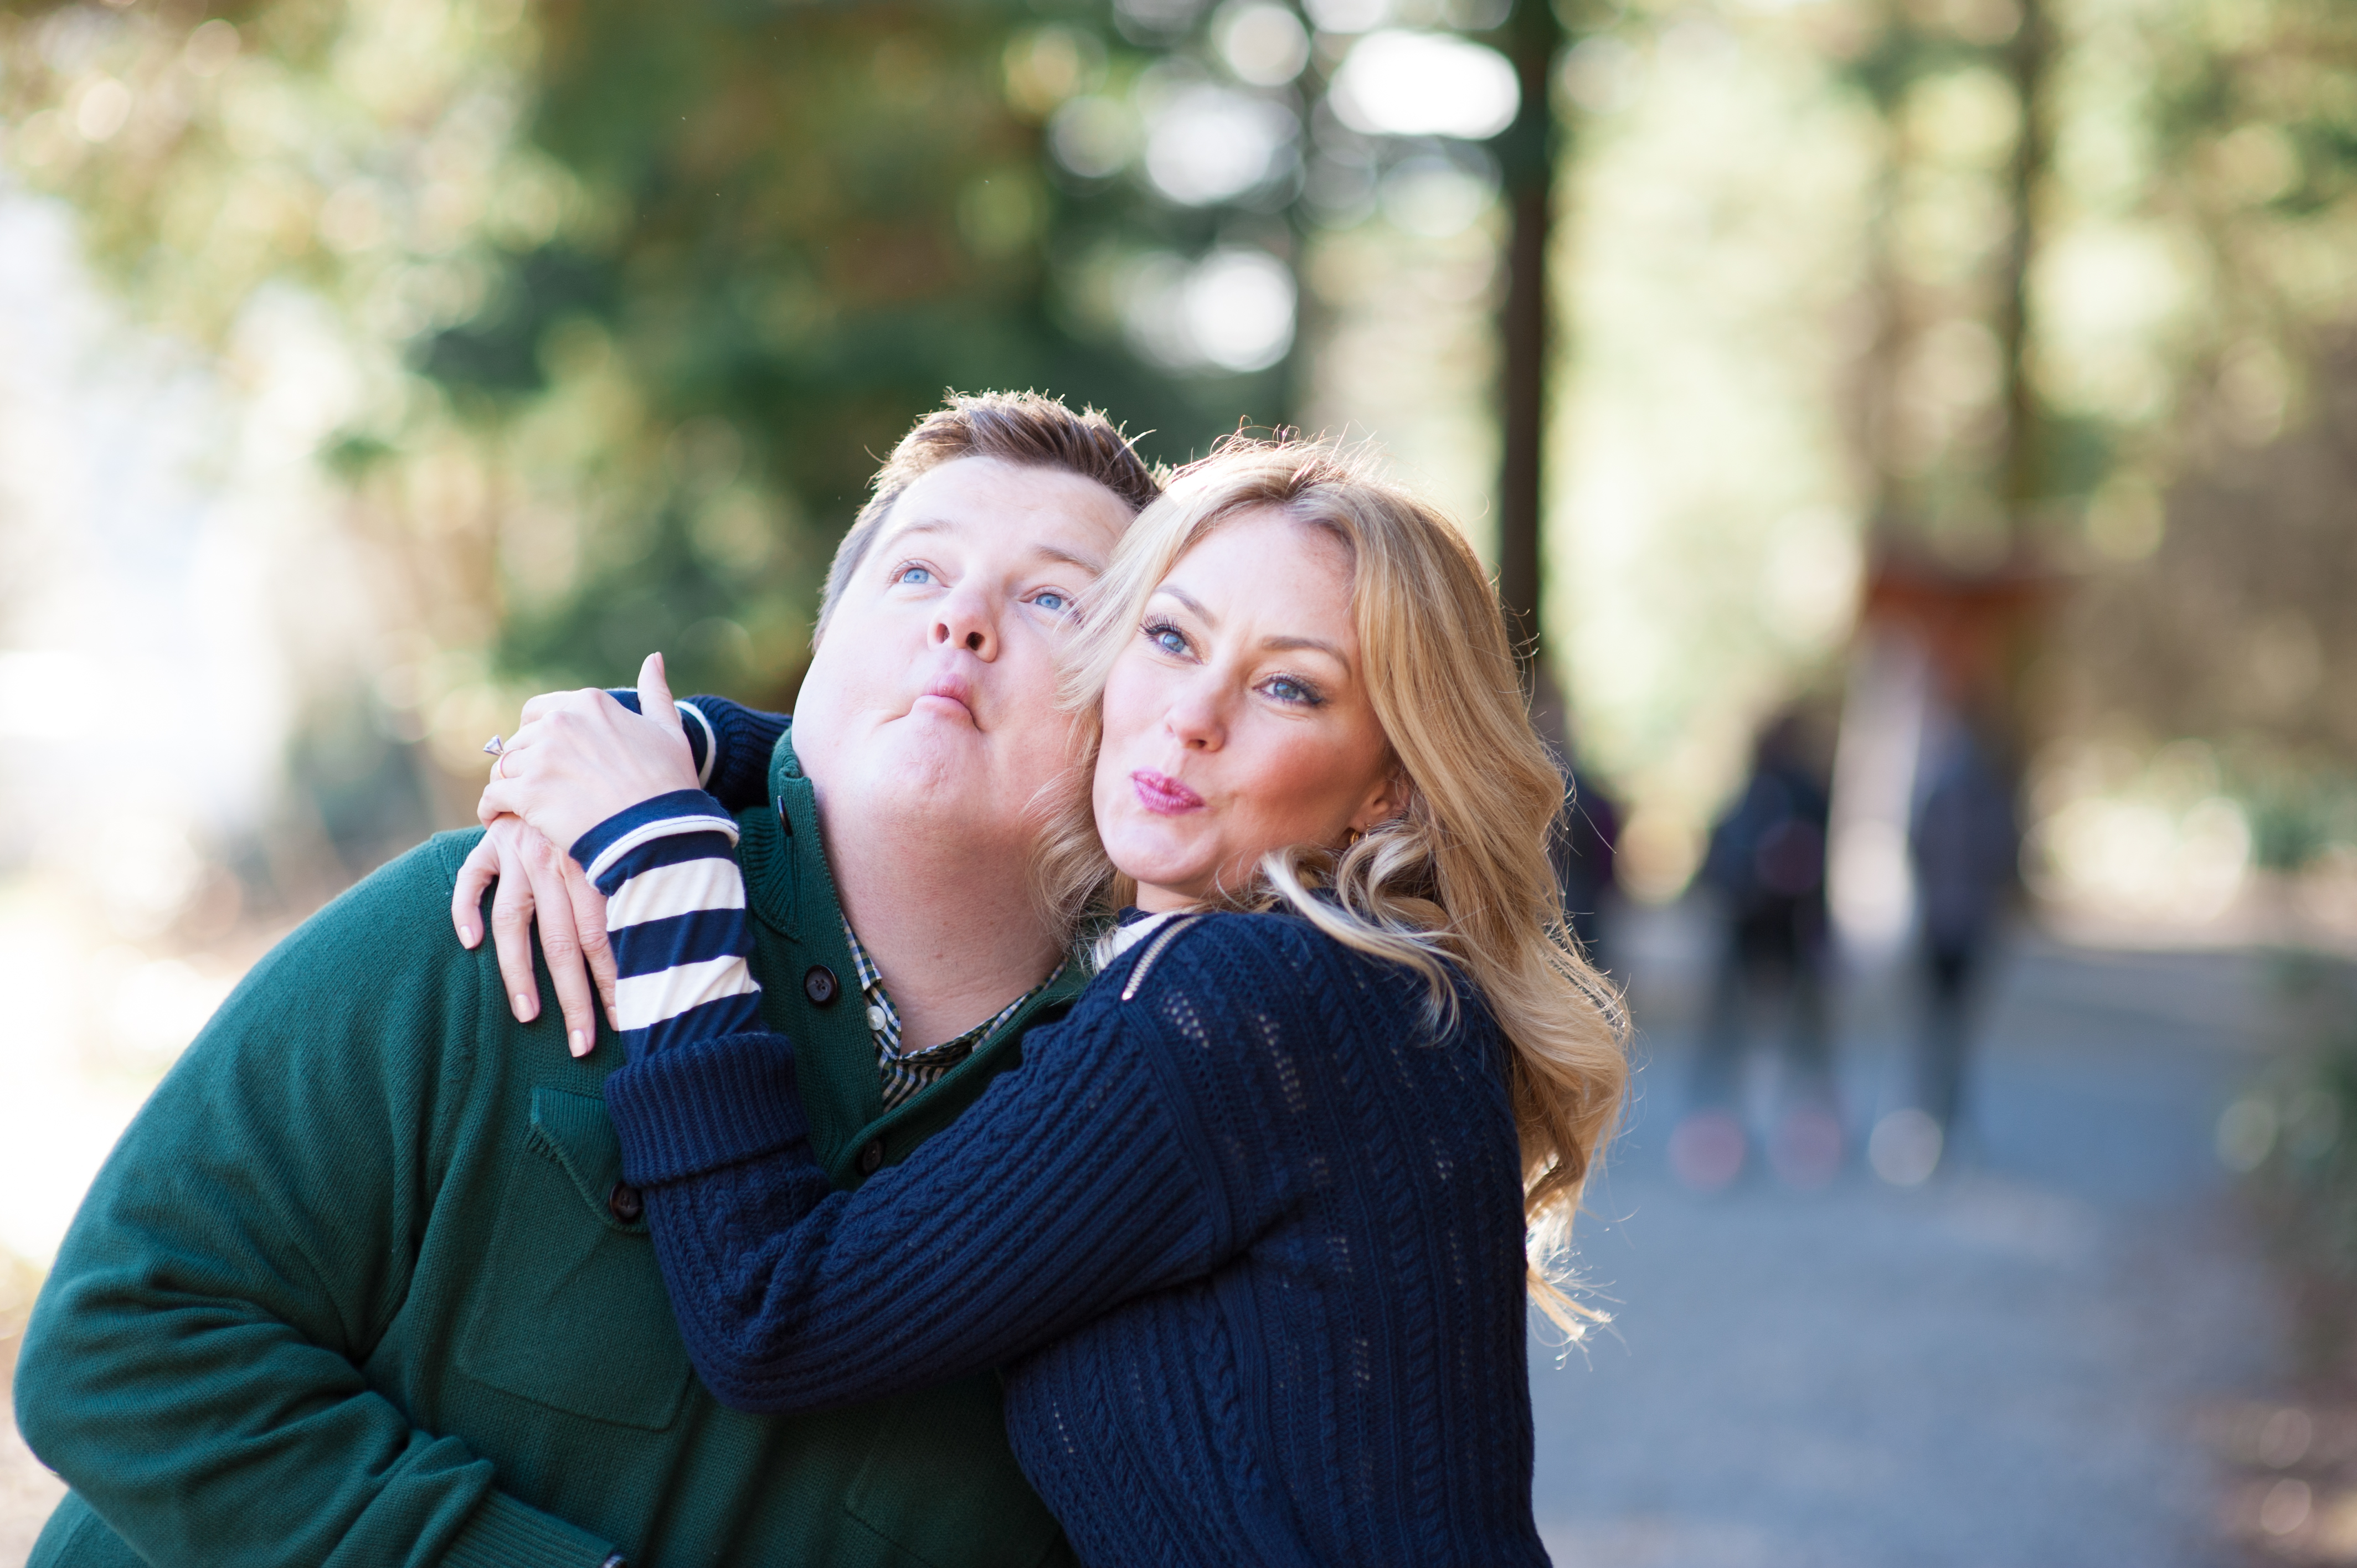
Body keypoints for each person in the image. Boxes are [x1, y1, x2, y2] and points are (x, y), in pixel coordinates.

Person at [13, 391, 1163, 1568]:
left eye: (1053, 600)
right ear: (821, 654)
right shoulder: (500, 917)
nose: (964, 620)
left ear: (1146, 720)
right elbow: (120, 1339)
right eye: (918, 575)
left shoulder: (1149, 1140)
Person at [476, 439, 1630, 1566]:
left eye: (1288, 686)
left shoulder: (1235, 1004)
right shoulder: (1359, 987)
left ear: (1387, 787)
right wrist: (680, 745)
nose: (1192, 716)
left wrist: (664, 857)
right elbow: (946, 790)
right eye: (1170, 638)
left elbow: (773, 1316)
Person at [1668, 710, 1839, 1192]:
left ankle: (1726, 1132)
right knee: (1791, 1042)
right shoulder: (1798, 798)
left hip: (1756, 934)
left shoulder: (1753, 800)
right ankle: (1792, 1135)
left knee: (1734, 1041)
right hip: (1781, 934)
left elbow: (1713, 869)